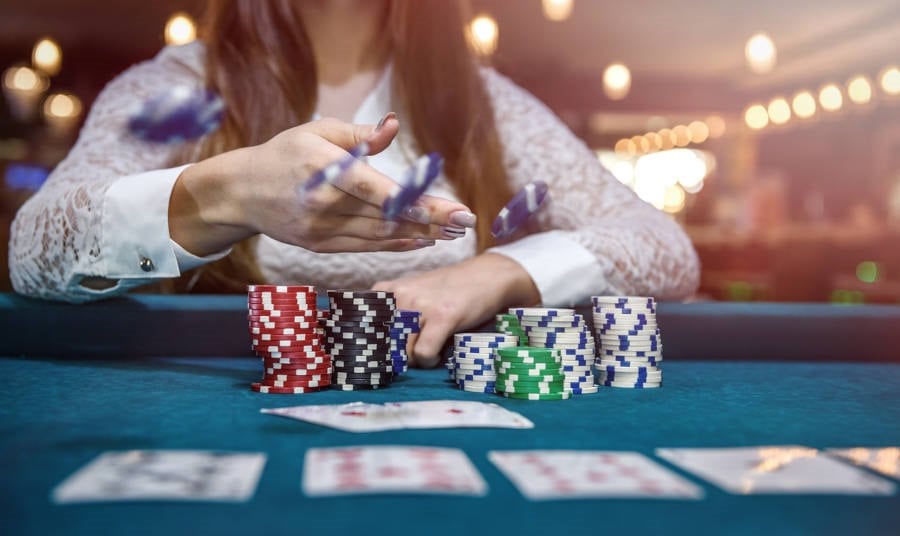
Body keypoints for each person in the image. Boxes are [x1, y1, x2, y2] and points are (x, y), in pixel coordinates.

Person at [8, 0, 700, 367]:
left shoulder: (483, 102)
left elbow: (665, 247)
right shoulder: (180, 86)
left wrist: (503, 270)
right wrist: (227, 193)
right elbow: (34, 251)